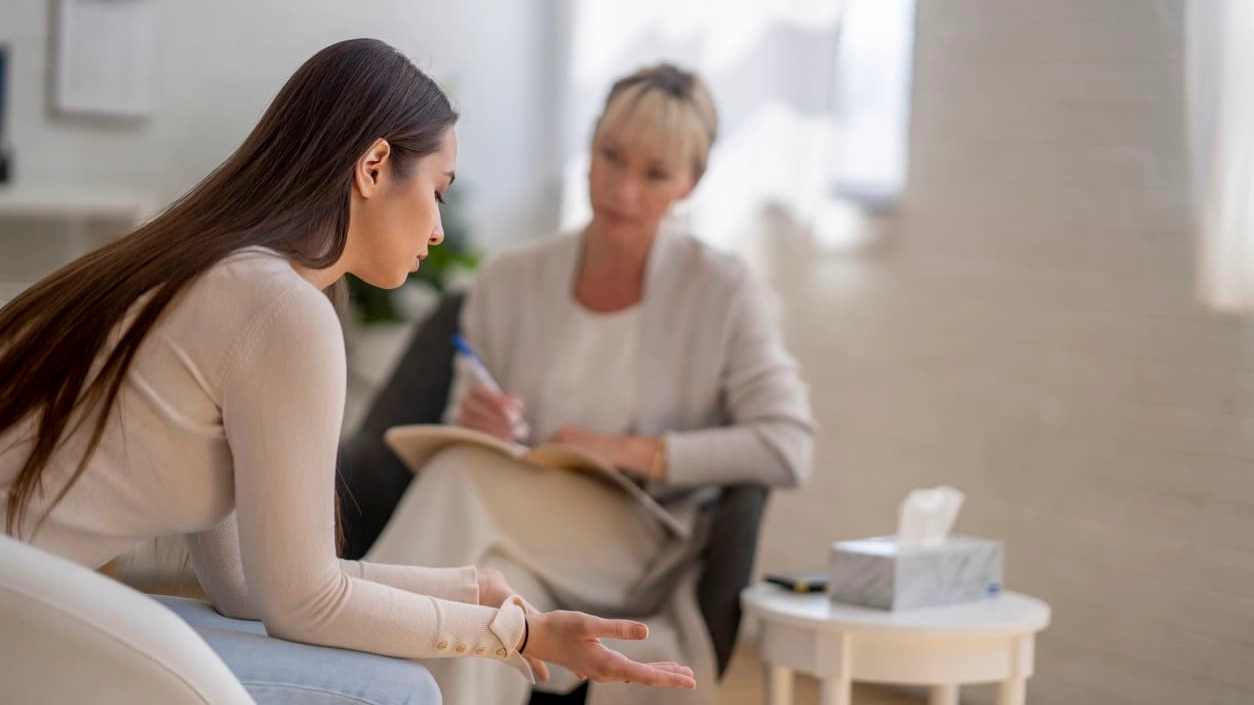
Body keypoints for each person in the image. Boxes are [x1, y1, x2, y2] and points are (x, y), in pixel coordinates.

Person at [0, 39, 695, 705]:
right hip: (14, 618)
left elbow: (248, 585)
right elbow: (303, 601)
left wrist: (471, 589)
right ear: (373, 166)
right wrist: (515, 633)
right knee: (398, 690)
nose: (439, 231)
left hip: (22, 599)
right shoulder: (280, 312)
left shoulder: (230, 273)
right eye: (439, 191)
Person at [358, 63, 816, 705]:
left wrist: (632, 451)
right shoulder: (511, 279)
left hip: (635, 546)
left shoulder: (723, 290)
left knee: (460, 478)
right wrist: (478, 419)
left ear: (691, 182)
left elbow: (788, 443)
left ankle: (337, 649)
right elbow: (474, 390)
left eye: (654, 173)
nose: (622, 189)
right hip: (513, 525)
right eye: (610, 156)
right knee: (494, 607)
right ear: (591, 143)